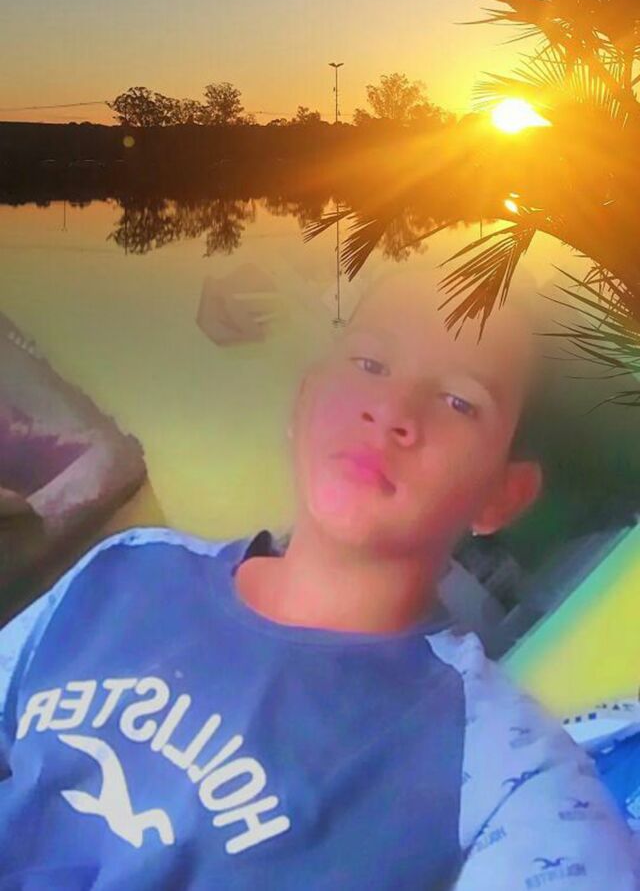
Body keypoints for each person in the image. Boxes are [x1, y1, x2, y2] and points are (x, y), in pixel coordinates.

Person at [0, 261, 637, 890]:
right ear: (306, 400)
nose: (391, 410)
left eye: (458, 401)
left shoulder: (499, 765)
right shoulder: (129, 566)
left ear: (502, 495)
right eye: (370, 364)